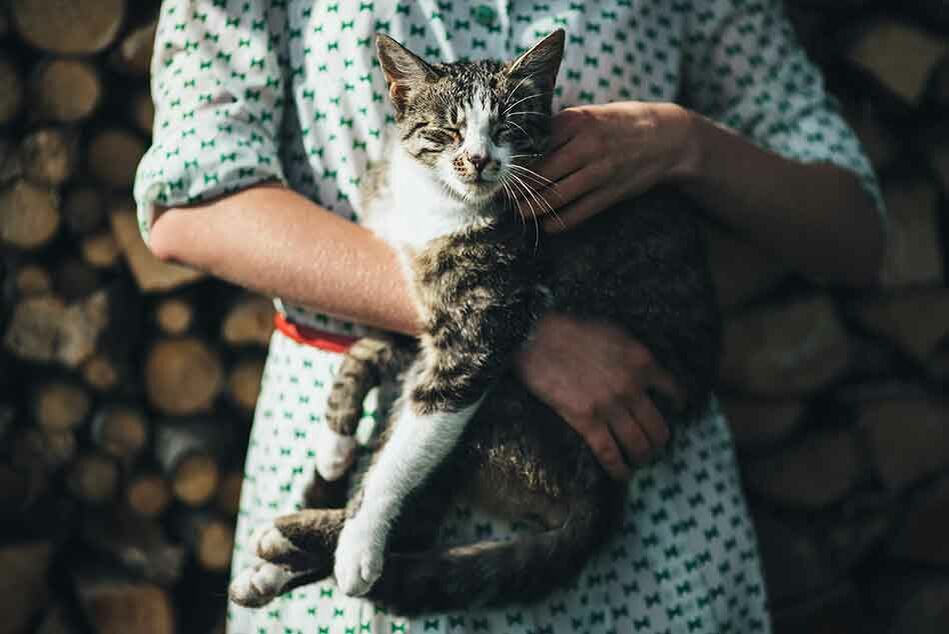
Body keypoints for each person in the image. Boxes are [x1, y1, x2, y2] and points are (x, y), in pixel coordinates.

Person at [135, 1, 886, 633]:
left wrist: (686, 142)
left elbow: (855, 236)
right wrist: (507, 330)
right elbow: (189, 202)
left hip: (629, 476)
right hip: (362, 420)